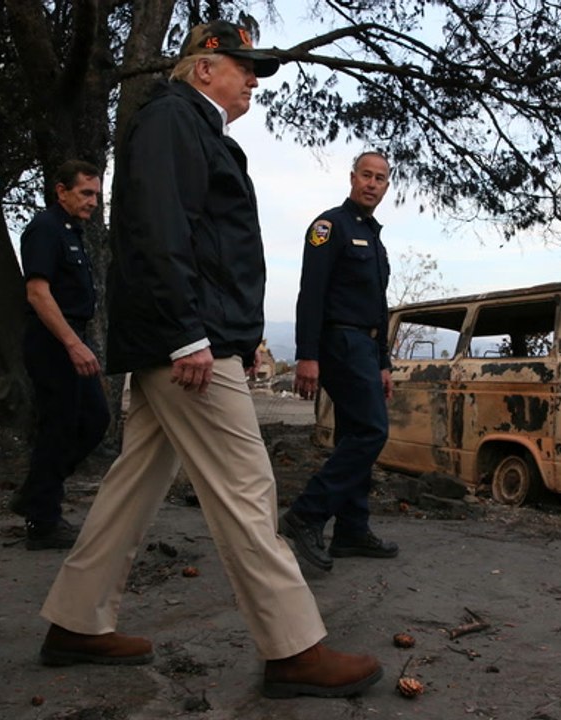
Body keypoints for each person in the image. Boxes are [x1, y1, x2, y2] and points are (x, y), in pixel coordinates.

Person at [35, 21, 382, 699]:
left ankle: (76, 621)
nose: (253, 80)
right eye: (244, 67)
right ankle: (293, 648)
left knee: (133, 484)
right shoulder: (171, 120)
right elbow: (158, 229)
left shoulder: (194, 128)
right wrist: (189, 334)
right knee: (248, 487)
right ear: (204, 69)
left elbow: (204, 243)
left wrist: (233, 333)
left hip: (190, 335)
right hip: (186, 345)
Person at [282, 151, 398, 572]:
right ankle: (306, 514)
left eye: (380, 178)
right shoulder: (329, 226)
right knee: (371, 431)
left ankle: (351, 530)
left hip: (367, 347)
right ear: (352, 178)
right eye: (366, 175)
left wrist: (384, 361)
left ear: (387, 186)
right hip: (339, 341)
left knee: (355, 431)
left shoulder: (374, 236)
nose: (372, 183)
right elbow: (310, 293)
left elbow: (379, 306)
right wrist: (306, 355)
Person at [15, 160, 110, 551]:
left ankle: (36, 493)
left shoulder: (73, 231)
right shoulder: (45, 229)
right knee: (59, 427)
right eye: (85, 193)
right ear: (61, 191)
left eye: (97, 195)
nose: (92, 202)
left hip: (73, 339)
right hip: (54, 341)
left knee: (95, 421)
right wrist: (72, 344)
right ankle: (43, 522)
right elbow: (38, 292)